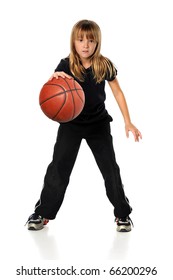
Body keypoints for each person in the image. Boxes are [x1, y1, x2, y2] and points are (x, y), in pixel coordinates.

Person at [26, 19, 142, 232]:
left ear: (97, 43)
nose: (85, 45)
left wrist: (128, 121)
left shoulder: (104, 64)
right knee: (59, 167)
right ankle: (42, 213)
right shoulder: (66, 64)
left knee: (110, 169)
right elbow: (53, 88)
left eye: (90, 40)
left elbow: (117, 91)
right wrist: (53, 77)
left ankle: (122, 214)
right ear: (74, 42)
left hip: (98, 124)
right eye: (81, 40)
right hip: (71, 124)